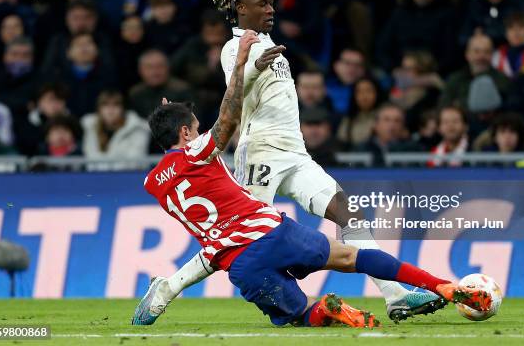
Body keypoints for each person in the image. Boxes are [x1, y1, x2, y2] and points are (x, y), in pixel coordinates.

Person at [132, 31, 491, 327]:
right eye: (195, 128)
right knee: (352, 258)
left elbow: (180, 158)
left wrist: (169, 117)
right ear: (186, 133)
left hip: (238, 265)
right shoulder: (197, 152)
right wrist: (241, 65)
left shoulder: (154, 183)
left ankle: (335, 310)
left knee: (302, 315)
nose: (200, 131)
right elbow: (227, 118)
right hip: (269, 234)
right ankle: (440, 285)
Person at [155, 0, 447, 324]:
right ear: (241, 8)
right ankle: (169, 287)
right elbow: (234, 94)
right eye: (262, 4)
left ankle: (395, 296)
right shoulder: (236, 47)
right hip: (260, 151)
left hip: (294, 152)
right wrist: (252, 67)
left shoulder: (267, 42)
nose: (270, 9)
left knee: (348, 213)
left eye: (271, 2)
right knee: (233, 237)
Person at [375, 0, 458, 73]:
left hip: (433, 71)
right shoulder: (399, 14)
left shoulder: (447, 15)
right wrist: (394, 69)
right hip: (399, 70)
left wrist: (433, 70)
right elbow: (382, 48)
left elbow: (450, 52)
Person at [439, 34, 510, 110]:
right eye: (476, 51)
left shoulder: (502, 80)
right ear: (467, 54)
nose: (481, 56)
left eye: (487, 52)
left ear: (492, 55)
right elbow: (444, 107)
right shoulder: (455, 80)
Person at [81, 90, 149, 159]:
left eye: (116, 105)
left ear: (123, 109)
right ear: (99, 109)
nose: (110, 110)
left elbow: (135, 163)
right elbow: (90, 160)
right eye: (105, 105)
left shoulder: (138, 128)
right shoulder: (90, 127)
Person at [128, 49, 191, 119]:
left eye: (160, 66)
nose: (155, 72)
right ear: (140, 70)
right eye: (149, 67)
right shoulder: (135, 93)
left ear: (168, 67)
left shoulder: (183, 90)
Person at [337, 77, 386, 149]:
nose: (364, 96)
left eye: (368, 90)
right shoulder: (348, 120)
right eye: (359, 92)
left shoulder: (387, 116)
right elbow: (341, 142)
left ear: (377, 92)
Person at [492, 12, 524, 78]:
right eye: (511, 28)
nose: (516, 32)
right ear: (505, 33)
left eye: (521, 27)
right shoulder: (497, 55)